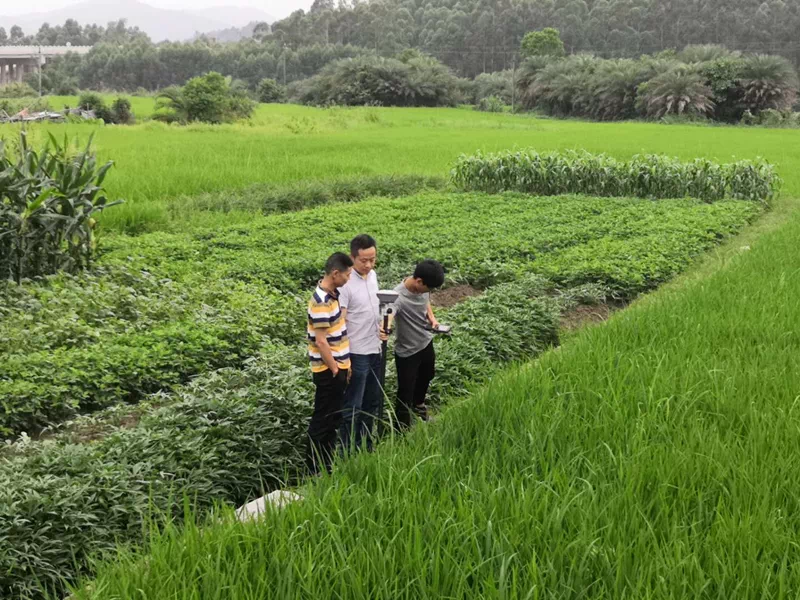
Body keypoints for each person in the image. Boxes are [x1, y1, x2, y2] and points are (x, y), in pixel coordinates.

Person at [338, 234, 387, 452]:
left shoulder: (373, 276)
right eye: (363, 260)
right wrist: (344, 357)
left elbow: (377, 308)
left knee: (371, 402)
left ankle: (366, 446)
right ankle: (347, 450)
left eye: (372, 259)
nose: (368, 265)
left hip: (375, 348)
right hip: (356, 352)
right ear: (352, 257)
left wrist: (386, 326)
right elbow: (340, 321)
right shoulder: (345, 284)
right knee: (353, 406)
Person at [305, 252, 353, 474]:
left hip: (338, 367)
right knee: (323, 420)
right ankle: (315, 470)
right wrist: (335, 369)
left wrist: (346, 363)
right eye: (347, 275)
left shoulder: (333, 294)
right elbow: (321, 341)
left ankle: (326, 465)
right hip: (328, 370)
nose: (348, 279)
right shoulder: (321, 302)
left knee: (333, 418)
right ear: (335, 274)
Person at [392, 259, 445, 431]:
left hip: (425, 341)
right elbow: (388, 315)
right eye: (428, 289)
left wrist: (432, 318)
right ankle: (402, 428)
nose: (429, 292)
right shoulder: (397, 297)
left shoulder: (423, 288)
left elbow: (426, 300)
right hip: (407, 351)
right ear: (419, 281)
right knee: (405, 390)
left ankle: (419, 406)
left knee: (428, 374)